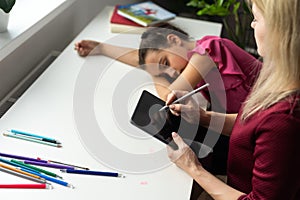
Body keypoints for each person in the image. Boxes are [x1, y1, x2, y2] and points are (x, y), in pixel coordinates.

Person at [75, 23, 262, 175]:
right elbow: (143, 59)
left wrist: (154, 73)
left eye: (165, 63)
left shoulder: (209, 50)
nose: (170, 72)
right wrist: (100, 47)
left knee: (195, 152)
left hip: (269, 120)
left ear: (173, 39)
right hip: (246, 120)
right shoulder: (186, 59)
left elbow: (171, 95)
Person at [166, 0, 300, 199]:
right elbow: (253, 127)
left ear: (280, 29)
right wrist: (203, 117)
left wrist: (194, 168)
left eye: (256, 18)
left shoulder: (285, 117)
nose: (252, 25)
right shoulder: (281, 77)